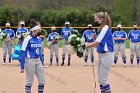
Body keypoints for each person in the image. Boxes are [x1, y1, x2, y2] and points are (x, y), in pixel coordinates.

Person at [86, 12, 113, 93]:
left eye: (96, 18)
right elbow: (99, 43)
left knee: (103, 80)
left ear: (101, 18)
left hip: (106, 56)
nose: (95, 20)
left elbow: (97, 43)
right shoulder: (102, 28)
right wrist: (94, 38)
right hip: (102, 56)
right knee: (100, 80)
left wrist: (85, 45)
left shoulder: (105, 28)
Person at [19, 19, 45, 93]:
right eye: (38, 30)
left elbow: (39, 52)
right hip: (29, 61)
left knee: (42, 81)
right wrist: (22, 66)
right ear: (34, 30)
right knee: (29, 81)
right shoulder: (27, 39)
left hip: (38, 61)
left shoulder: (39, 39)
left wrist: (42, 62)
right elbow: (23, 52)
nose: (40, 31)